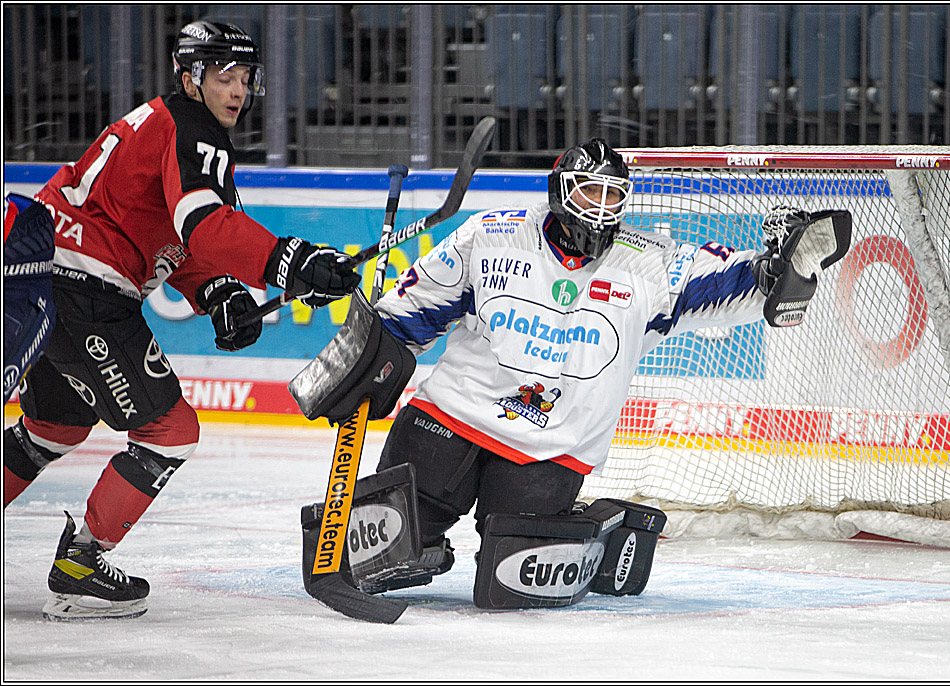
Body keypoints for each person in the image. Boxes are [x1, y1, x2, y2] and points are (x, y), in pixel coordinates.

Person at [328, 138, 851, 607]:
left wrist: (775, 267)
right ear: (560, 192)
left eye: (612, 197)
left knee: (512, 578)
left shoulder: (647, 263)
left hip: (552, 444)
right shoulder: (490, 236)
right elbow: (411, 311)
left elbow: (720, 282)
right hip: (451, 418)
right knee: (387, 544)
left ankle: (597, 529)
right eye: (588, 194)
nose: (601, 211)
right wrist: (374, 353)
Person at [2, 20, 361, 620]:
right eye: (224, 75)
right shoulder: (194, 131)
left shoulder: (170, 122)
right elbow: (205, 222)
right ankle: (81, 565)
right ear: (190, 78)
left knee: (53, 426)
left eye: (245, 77)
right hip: (82, 285)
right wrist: (291, 260)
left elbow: (180, 234)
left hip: (43, 270)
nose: (237, 90)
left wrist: (220, 292)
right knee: (169, 431)